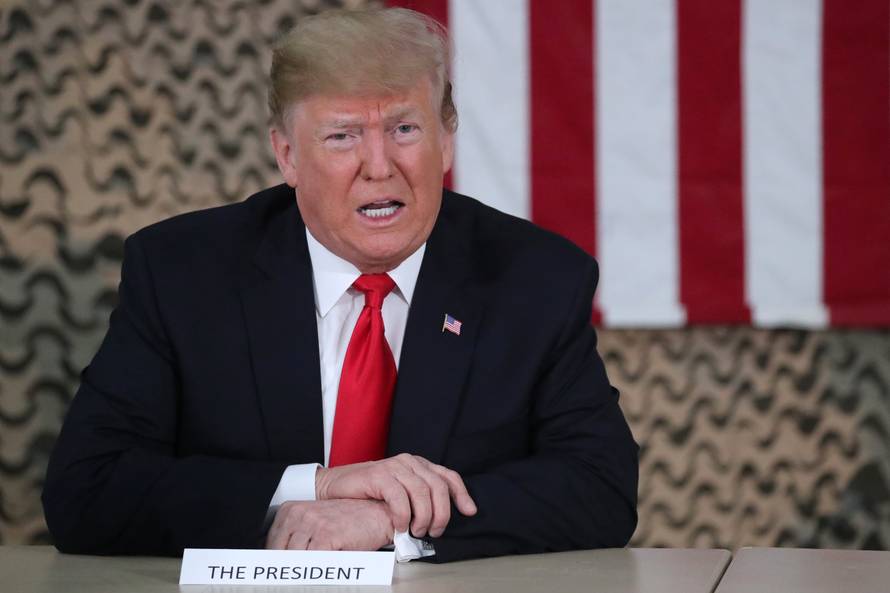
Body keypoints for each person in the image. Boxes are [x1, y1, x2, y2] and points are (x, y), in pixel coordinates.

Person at [42, 7, 638, 563]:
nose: (379, 166)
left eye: (404, 128)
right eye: (342, 136)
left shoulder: (535, 278)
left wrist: (392, 524)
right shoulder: (183, 273)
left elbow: (600, 488)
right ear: (287, 156)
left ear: (446, 140)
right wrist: (316, 488)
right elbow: (88, 488)